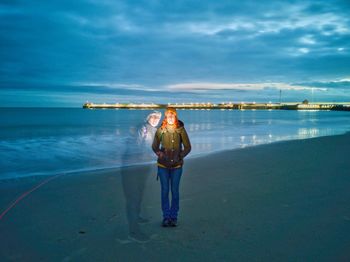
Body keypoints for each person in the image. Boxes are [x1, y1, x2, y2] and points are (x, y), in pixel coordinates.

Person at [121, 110, 161, 243]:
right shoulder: (142, 128)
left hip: (143, 166)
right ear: (148, 117)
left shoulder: (155, 131)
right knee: (133, 196)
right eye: (153, 116)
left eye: (157, 117)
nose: (155, 119)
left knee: (140, 192)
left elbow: (154, 148)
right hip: (132, 166)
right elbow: (135, 146)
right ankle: (133, 231)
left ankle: (137, 217)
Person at [152, 107, 191, 227]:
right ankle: (166, 217)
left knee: (174, 191)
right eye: (168, 115)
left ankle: (173, 217)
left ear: (175, 117)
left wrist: (181, 156)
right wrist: (159, 153)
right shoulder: (161, 130)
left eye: (172, 115)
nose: (170, 117)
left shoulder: (181, 130)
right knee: (164, 191)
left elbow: (188, 147)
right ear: (165, 117)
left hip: (177, 166)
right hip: (163, 166)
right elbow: (154, 146)